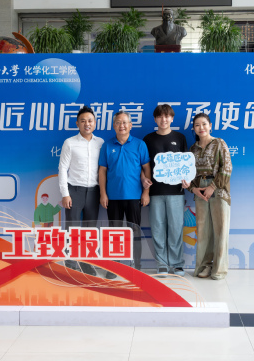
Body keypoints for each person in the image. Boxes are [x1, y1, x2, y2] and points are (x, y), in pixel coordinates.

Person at [182, 113, 232, 280]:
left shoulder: (219, 143)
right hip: (200, 191)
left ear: (210, 126)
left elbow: (227, 168)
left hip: (219, 189)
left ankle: (219, 269)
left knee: (220, 229)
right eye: (197, 125)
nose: (201, 128)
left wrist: (212, 187)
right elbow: (189, 174)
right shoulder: (193, 149)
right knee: (203, 231)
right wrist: (193, 189)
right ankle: (205, 266)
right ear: (194, 129)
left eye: (204, 124)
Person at [99, 111, 150, 270]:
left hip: (134, 196)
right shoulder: (107, 145)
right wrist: (103, 194)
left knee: (135, 232)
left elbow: (146, 168)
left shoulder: (140, 144)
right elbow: (102, 171)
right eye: (118, 122)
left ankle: (136, 266)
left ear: (130, 125)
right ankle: (115, 266)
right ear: (114, 126)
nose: (122, 125)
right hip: (113, 197)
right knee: (114, 233)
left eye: (125, 122)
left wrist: (146, 193)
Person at [143, 104, 188, 276]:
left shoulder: (180, 137)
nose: (164, 119)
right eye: (160, 116)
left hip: (176, 192)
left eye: (167, 116)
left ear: (172, 118)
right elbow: (143, 165)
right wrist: (144, 180)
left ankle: (176, 264)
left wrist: (187, 180)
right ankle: (161, 263)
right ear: (155, 119)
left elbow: (186, 164)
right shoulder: (148, 139)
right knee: (157, 228)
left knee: (176, 228)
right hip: (155, 192)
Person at [58, 106, 104, 276]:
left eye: (90, 120)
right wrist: (65, 193)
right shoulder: (70, 143)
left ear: (95, 123)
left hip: (94, 191)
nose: (87, 124)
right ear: (77, 123)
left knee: (90, 229)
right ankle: (70, 264)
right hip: (74, 191)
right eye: (83, 121)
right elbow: (62, 168)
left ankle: (87, 264)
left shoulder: (100, 143)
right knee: (72, 228)